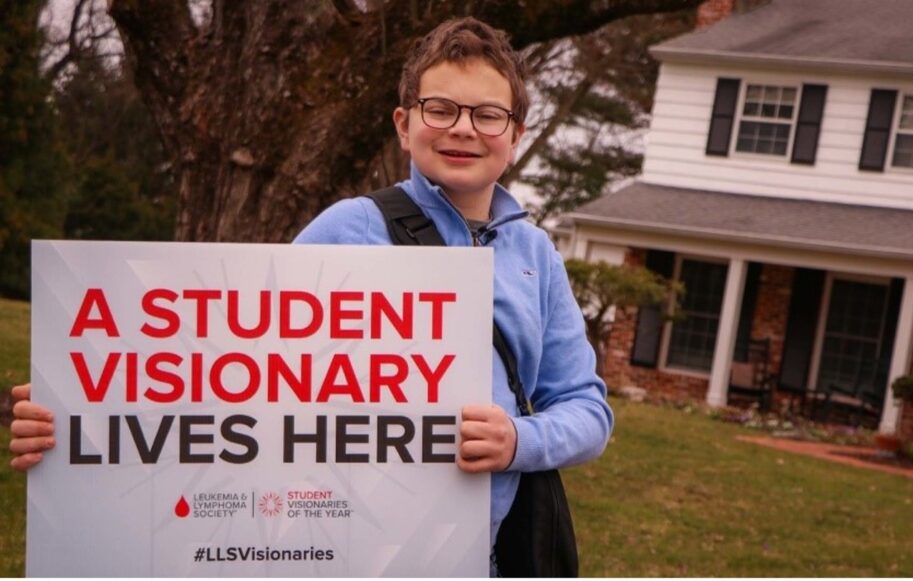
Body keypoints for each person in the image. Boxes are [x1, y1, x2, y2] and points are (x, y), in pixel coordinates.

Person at [9, 16, 613, 575]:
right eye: (441, 108)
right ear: (404, 124)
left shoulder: (537, 257)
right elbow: (222, 368)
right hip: (333, 546)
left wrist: (518, 442)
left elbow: (587, 410)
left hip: (477, 558)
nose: (462, 127)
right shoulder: (347, 228)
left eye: (487, 114)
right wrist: (85, 406)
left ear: (515, 133)